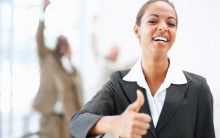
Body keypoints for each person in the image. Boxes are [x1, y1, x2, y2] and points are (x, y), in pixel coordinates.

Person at [69, 0, 215, 137]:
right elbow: (78, 123)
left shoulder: (198, 88)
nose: (163, 27)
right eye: (153, 21)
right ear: (137, 30)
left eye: (171, 24)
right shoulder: (118, 83)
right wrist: (115, 123)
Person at [32, 1, 83, 138]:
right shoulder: (46, 56)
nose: (62, 46)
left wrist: (69, 59)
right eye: (60, 43)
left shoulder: (68, 68)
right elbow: (39, 39)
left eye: (65, 44)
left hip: (67, 116)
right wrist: (43, 12)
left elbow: (74, 85)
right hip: (49, 115)